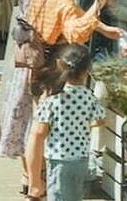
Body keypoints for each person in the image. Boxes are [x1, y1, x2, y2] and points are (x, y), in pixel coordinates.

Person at [24, 0, 120, 198]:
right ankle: (38, 183)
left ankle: (33, 180)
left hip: (38, 63)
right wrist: (97, 6)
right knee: (41, 130)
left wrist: (101, 27)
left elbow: (74, 15)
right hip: (54, 66)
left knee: (40, 127)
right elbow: (75, 31)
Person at [0, 0, 85, 182]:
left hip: (50, 56)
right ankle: (32, 179)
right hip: (35, 58)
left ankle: (36, 178)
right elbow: (28, 18)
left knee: (41, 122)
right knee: (32, 121)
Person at [28, 45, 104, 201]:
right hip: (82, 160)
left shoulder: (53, 100)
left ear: (59, 65)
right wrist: (80, 126)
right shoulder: (89, 97)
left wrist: (34, 180)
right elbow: (100, 120)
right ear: (86, 71)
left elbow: (38, 134)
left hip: (59, 161)